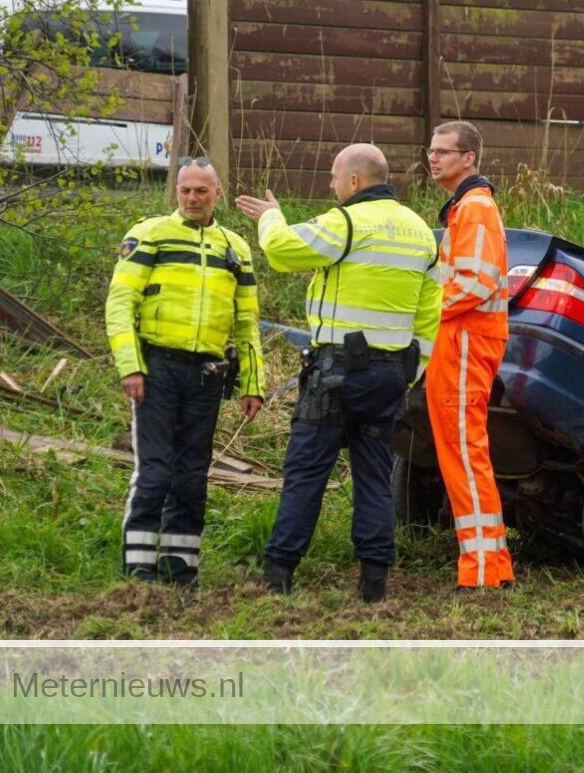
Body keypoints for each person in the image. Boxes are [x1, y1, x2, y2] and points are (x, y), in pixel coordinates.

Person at [235, 143, 440, 603]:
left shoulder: (346, 221)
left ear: (353, 182)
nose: (331, 186)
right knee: (374, 475)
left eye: (333, 178)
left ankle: (278, 573)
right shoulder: (422, 233)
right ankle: (373, 582)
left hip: (337, 373)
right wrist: (414, 369)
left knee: (307, 471)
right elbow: (431, 313)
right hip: (390, 376)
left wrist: (271, 216)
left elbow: (285, 252)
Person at [105, 157, 265, 589]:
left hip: (207, 374)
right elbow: (120, 304)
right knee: (155, 472)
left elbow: (247, 323)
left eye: (201, 191)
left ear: (218, 194)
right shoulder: (149, 233)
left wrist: (252, 383)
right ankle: (139, 571)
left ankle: (181, 570)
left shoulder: (235, 247)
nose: (192, 198)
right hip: (156, 369)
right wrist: (130, 366)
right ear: (176, 192)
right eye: (185, 190)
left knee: (193, 477)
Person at [425, 121, 514, 590]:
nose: (433, 158)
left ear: (469, 159)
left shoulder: (475, 208)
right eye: (431, 151)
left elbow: (475, 284)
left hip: (464, 341)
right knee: (465, 450)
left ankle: (481, 571)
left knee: (464, 451)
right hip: (463, 341)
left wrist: (420, 314)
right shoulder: (467, 208)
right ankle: (492, 565)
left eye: (443, 152)